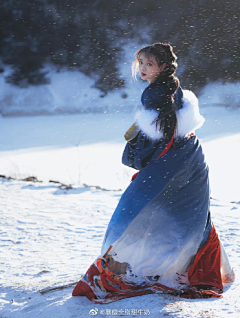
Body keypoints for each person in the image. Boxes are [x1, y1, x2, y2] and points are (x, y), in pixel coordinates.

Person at [72, 42, 234, 304]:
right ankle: (183, 269)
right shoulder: (172, 85)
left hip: (175, 160)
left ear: (164, 67)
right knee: (188, 212)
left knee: (139, 212)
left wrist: (140, 153)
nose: (144, 69)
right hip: (191, 156)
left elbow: (158, 138)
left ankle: (136, 271)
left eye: (150, 64)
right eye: (142, 63)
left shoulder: (153, 95)